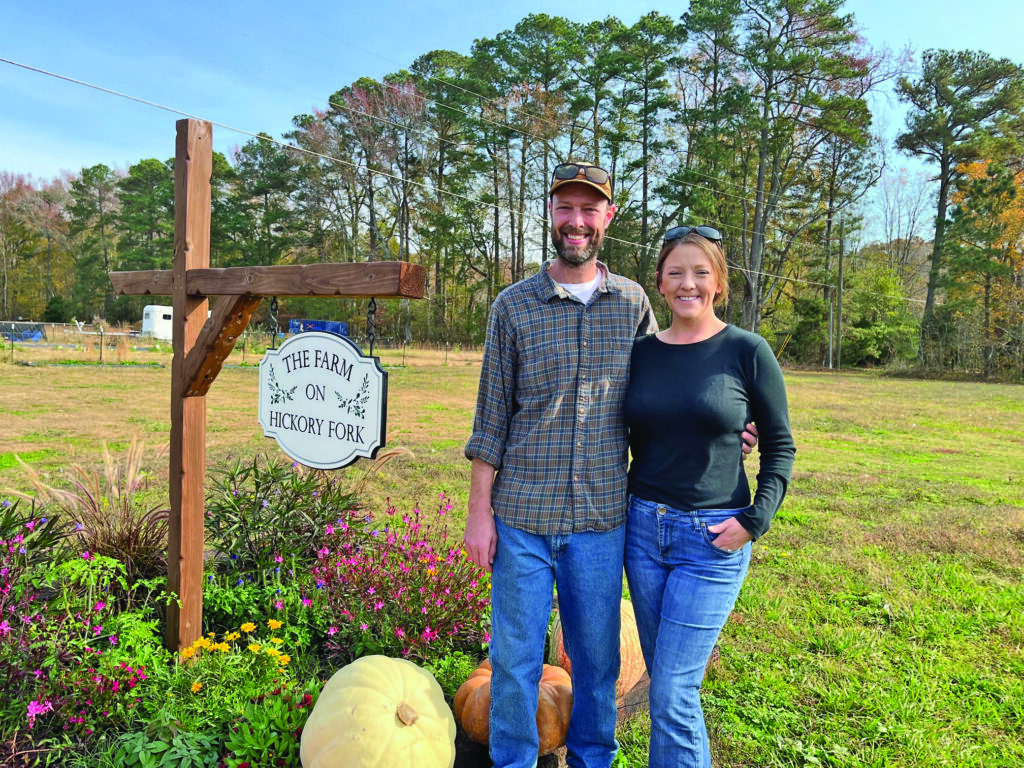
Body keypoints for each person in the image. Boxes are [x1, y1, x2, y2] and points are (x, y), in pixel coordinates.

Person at [463, 164, 756, 767]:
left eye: (589, 210)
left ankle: (594, 758)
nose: (577, 222)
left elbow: (669, 386)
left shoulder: (632, 303)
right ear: (550, 212)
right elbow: (489, 421)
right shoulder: (512, 307)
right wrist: (479, 515)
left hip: (601, 520)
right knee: (515, 658)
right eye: (565, 208)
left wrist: (725, 428)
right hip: (521, 516)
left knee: (596, 660)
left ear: (607, 218)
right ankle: (514, 759)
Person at [622, 225, 796, 767]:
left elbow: (781, 446)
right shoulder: (642, 353)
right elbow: (632, 434)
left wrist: (754, 520)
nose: (687, 283)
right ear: (660, 282)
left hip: (713, 539)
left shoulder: (747, 351)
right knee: (667, 684)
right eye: (676, 272)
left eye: (700, 272)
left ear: (718, 282)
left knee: (672, 691)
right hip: (643, 532)